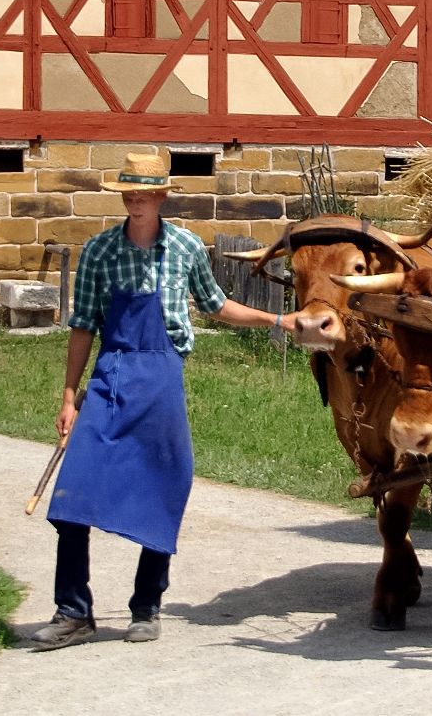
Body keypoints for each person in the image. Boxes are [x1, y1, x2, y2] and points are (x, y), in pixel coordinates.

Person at [27, 150, 300, 651]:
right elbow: (83, 326)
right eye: (127, 193)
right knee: (73, 493)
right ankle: (73, 612)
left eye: (143, 194)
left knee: (163, 485)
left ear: (159, 198)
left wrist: (278, 321)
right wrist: (69, 396)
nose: (134, 201)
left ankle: (147, 606)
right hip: (110, 375)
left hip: (161, 378)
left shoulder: (186, 247)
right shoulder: (100, 252)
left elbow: (217, 305)